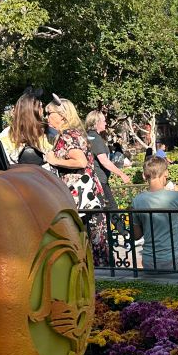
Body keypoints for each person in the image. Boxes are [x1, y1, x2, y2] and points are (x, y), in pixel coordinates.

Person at [45, 96, 108, 265]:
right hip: (87, 197)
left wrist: (54, 160)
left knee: (88, 244)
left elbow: (80, 161)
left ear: (62, 115)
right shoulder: (71, 133)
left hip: (82, 199)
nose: (47, 117)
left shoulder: (68, 135)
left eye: (49, 113)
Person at [86, 110, 131, 206]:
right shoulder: (95, 139)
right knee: (112, 209)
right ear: (96, 122)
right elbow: (104, 161)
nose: (105, 123)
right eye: (103, 121)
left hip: (93, 179)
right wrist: (121, 174)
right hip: (100, 180)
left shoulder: (88, 136)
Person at [0, 91, 53, 167]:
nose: (43, 110)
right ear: (34, 110)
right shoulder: (6, 135)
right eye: (40, 106)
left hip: (23, 176)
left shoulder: (49, 131)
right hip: (22, 177)